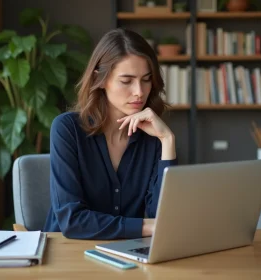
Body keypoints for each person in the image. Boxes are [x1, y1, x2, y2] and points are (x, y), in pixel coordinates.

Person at [42, 28, 177, 240]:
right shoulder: (67, 129)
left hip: (124, 254)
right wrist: (148, 227)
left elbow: (161, 216)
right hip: (66, 254)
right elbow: (72, 221)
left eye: (146, 79)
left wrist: (167, 141)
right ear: (101, 79)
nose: (139, 92)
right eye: (126, 81)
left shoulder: (153, 137)